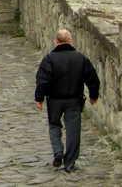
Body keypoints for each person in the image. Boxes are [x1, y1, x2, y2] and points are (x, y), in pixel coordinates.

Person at [35, 29, 100, 173]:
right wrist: (93, 95)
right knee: (73, 131)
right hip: (74, 100)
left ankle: (58, 152)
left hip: (55, 101)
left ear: (56, 41)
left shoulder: (49, 59)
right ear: (70, 41)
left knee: (54, 126)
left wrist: (39, 98)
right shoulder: (80, 58)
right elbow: (93, 79)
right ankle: (70, 163)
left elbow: (42, 81)